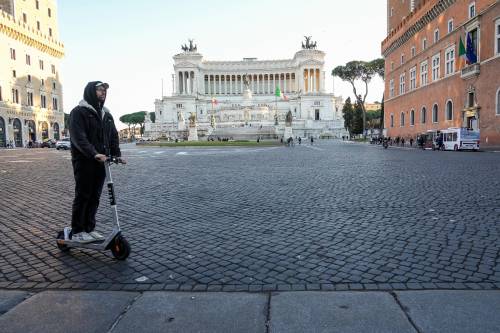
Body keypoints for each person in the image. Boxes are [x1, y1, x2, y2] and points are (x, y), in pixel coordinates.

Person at [69, 81, 125, 243]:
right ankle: (78, 230)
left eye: (104, 90)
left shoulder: (106, 115)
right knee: (83, 195)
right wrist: (94, 153)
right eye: (99, 90)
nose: (103, 93)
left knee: (95, 196)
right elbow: (79, 138)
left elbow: (113, 137)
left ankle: (89, 228)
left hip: (101, 162)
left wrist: (117, 154)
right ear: (90, 92)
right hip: (85, 161)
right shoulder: (79, 112)